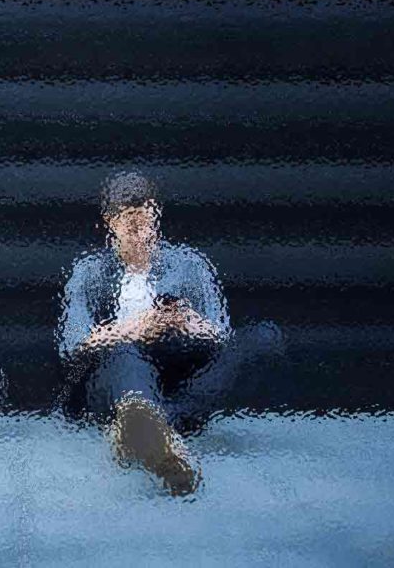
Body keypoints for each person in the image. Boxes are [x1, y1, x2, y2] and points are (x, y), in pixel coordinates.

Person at [57, 171, 281, 496]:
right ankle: (146, 424)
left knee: (264, 337)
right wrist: (136, 327)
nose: (143, 234)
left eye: (149, 223)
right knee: (125, 353)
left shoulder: (190, 265)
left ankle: (146, 430)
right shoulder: (90, 271)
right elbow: (73, 344)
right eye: (132, 226)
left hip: (181, 370)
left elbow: (222, 338)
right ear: (111, 223)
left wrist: (191, 323)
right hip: (121, 372)